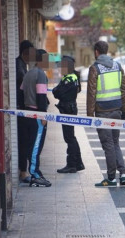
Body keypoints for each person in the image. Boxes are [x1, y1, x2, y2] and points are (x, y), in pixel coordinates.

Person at [87, 41, 125, 187]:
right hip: (116, 110)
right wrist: (122, 110)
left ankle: (111, 177)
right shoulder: (117, 66)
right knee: (115, 142)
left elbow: (91, 93)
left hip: (102, 112)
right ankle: (123, 174)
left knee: (108, 144)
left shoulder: (95, 68)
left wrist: (90, 114)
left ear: (96, 51)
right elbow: (124, 90)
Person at [20, 49, 51, 187]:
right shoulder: (40, 75)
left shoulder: (28, 73)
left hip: (26, 113)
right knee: (36, 147)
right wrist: (43, 115)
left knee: (28, 144)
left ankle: (32, 171)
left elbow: (21, 93)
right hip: (37, 115)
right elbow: (41, 97)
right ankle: (35, 174)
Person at [53, 55, 85, 173]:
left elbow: (57, 93)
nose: (59, 68)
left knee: (69, 137)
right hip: (69, 108)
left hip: (67, 109)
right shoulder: (72, 77)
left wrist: (57, 91)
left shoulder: (69, 79)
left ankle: (72, 164)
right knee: (71, 137)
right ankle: (78, 163)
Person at [16, 40, 35, 183]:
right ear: (24, 53)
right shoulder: (19, 66)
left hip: (25, 109)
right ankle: (23, 171)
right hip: (21, 110)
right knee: (24, 141)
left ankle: (24, 169)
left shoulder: (23, 65)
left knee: (26, 141)